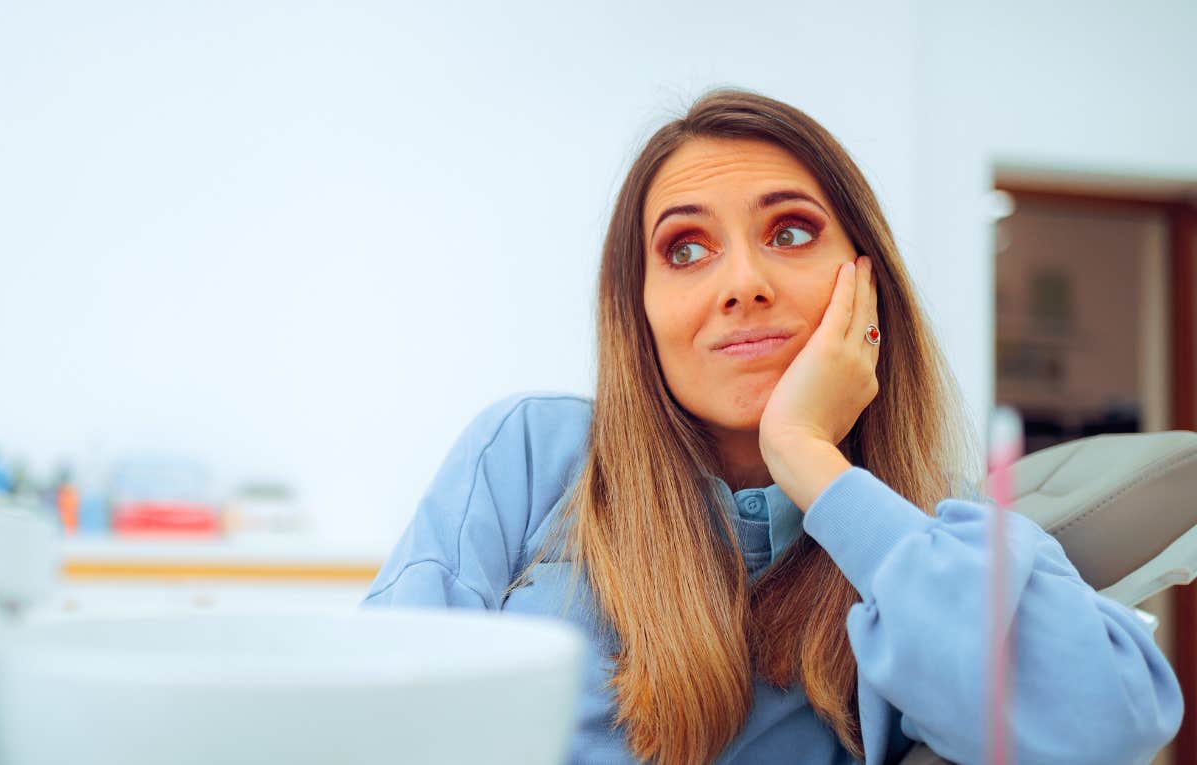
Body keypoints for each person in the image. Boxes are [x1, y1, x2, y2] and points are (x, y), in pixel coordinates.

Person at [359, 89, 1183, 765]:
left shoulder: (920, 538)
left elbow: (1103, 727)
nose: (743, 283)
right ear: (638, 312)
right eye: (685, 249)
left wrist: (808, 459)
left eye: (790, 232)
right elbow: (371, 714)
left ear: (865, 283)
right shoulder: (529, 455)